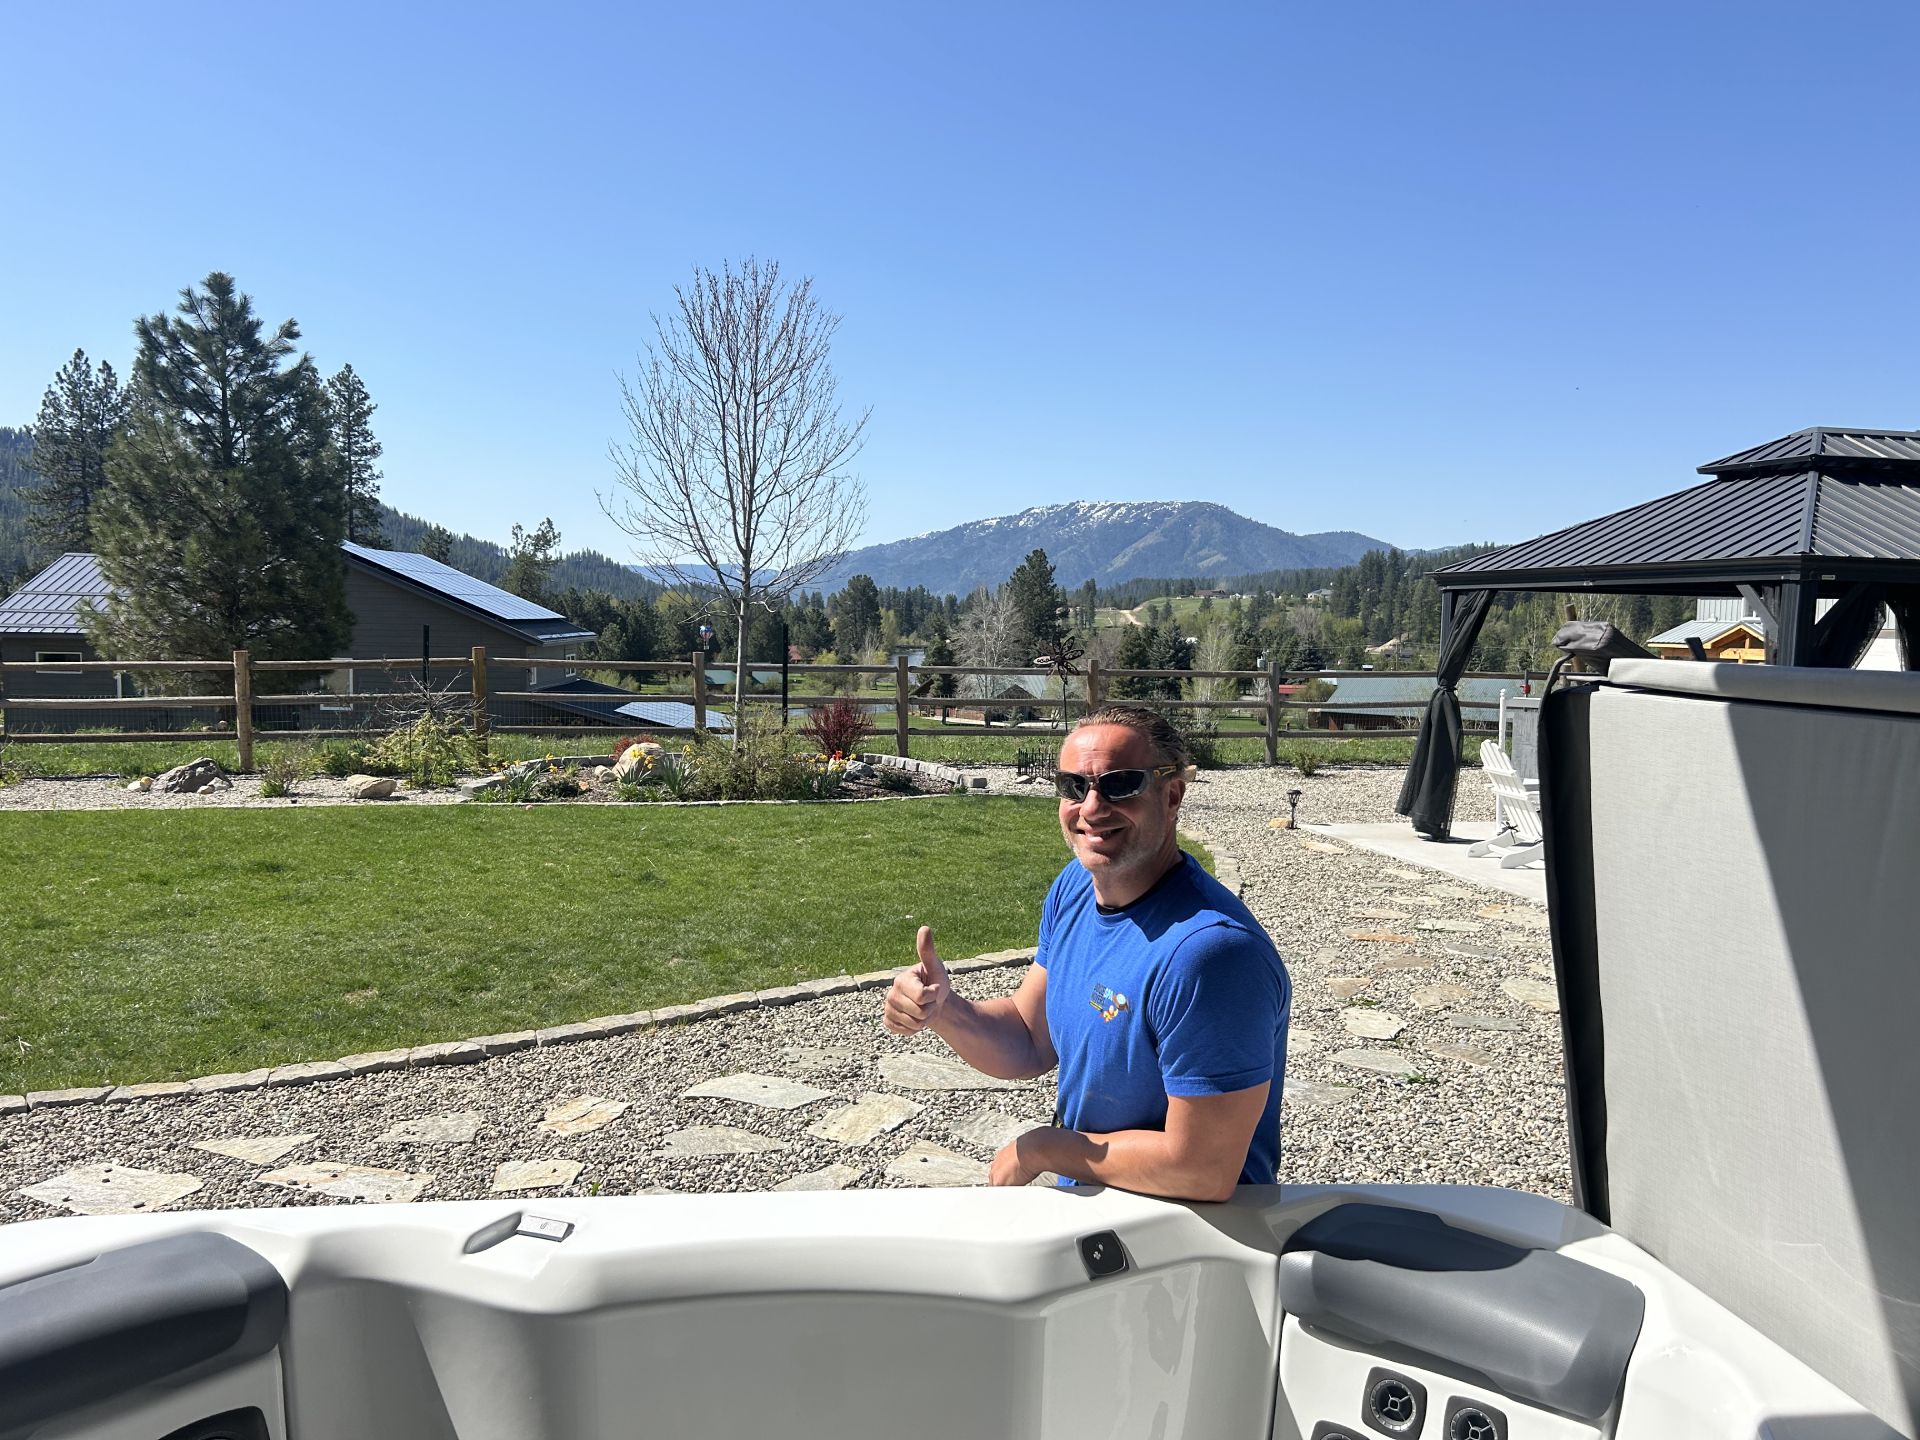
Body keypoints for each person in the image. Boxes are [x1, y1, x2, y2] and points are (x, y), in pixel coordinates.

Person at [883, 703, 1291, 1201]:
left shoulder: (1210, 954)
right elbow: (1030, 1039)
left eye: (1120, 784)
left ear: (1173, 794)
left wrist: (1045, 1150)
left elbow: (1201, 1170)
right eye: (1074, 786)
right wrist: (943, 1010)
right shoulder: (1077, 887)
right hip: (1103, 1200)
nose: (1092, 807)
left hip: (1189, 1234)